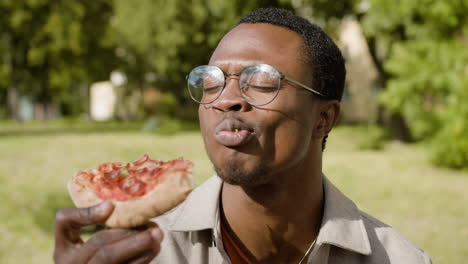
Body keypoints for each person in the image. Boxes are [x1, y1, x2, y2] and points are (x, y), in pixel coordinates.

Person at [54, 8, 431, 264]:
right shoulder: (145, 252)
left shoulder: (398, 258)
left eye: (262, 82)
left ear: (324, 118)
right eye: (211, 82)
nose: (227, 100)